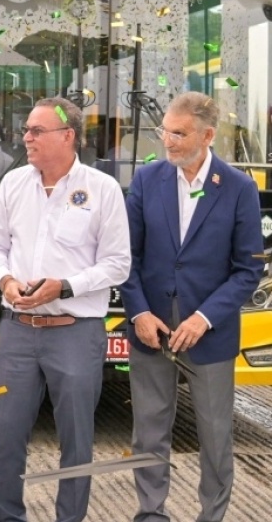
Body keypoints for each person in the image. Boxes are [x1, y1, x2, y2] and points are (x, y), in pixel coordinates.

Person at [0, 97, 130, 522]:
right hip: (16, 333)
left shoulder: (102, 190)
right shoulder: (13, 184)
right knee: (5, 432)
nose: (26, 137)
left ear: (68, 136)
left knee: (77, 439)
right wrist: (6, 280)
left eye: (36, 131)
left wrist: (63, 287)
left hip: (76, 333)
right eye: (26, 130)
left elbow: (118, 264)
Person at [121, 92, 262, 522]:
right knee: (149, 432)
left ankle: (212, 516)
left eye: (178, 133)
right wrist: (139, 312)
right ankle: (151, 513)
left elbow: (246, 269)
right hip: (151, 330)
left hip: (210, 334)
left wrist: (203, 318)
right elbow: (127, 257)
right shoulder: (147, 180)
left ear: (207, 135)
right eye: (165, 131)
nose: (168, 140)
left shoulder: (239, 188)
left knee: (216, 437)